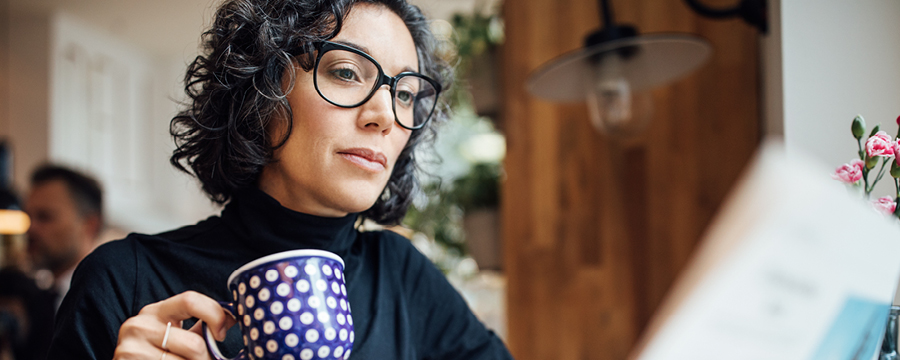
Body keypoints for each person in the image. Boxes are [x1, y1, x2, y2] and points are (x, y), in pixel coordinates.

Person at [46, 0, 514, 359]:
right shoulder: (124, 281)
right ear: (262, 88)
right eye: (347, 72)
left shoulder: (402, 276)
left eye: (407, 93)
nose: (385, 115)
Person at [24, 164, 103, 311]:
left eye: (44, 217)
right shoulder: (38, 297)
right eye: (29, 217)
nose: (30, 228)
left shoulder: (102, 302)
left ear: (90, 225)